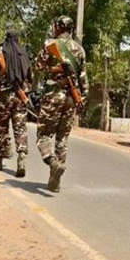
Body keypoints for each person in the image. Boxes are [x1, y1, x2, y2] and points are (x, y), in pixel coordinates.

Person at [34, 16, 89, 193]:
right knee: (62, 139)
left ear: (59, 27)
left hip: (53, 95)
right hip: (72, 98)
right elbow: (83, 77)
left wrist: (54, 69)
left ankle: (52, 162)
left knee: (43, 135)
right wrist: (83, 99)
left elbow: (38, 67)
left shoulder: (50, 44)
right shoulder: (79, 49)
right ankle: (55, 180)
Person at [0, 29, 32, 178]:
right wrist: (25, 92)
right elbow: (30, 79)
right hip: (20, 98)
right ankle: (22, 159)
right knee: (20, 128)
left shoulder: (1, 55)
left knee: (1, 128)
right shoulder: (24, 55)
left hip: (4, 99)